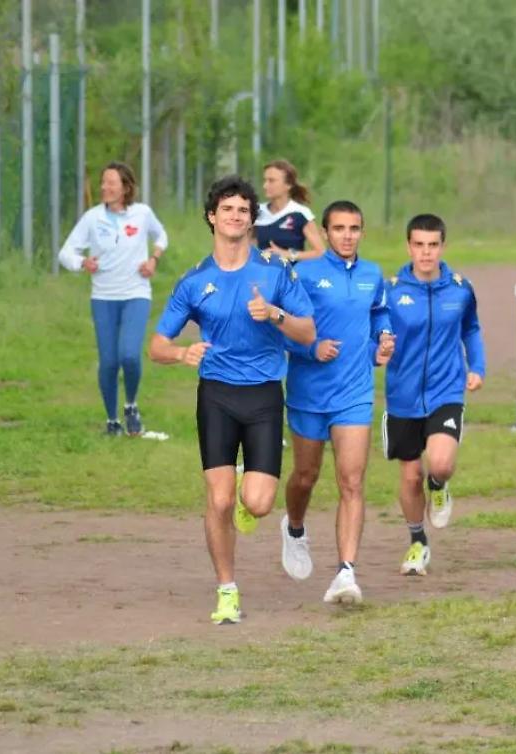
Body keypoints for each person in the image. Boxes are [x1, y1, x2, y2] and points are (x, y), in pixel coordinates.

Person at [148, 175, 316, 625]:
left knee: (257, 503)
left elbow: (308, 331)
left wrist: (275, 315)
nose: (236, 216)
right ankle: (227, 589)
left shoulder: (274, 272)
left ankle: (248, 493)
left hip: (263, 396)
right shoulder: (195, 281)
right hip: (217, 396)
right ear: (212, 217)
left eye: (243, 210)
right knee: (218, 501)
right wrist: (182, 352)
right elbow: (157, 345)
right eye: (227, 210)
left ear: (251, 218)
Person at [267, 200, 394, 605]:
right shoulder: (303, 274)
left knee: (352, 481)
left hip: (355, 394)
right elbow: (282, 329)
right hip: (309, 393)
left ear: (362, 232)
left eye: (354, 229)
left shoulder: (373, 275)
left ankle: (346, 572)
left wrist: (382, 342)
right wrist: (311, 349)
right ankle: (296, 527)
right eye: (338, 229)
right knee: (305, 476)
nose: (347, 236)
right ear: (324, 232)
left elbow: (380, 315)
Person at [383, 214, 485, 577]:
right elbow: (374, 336)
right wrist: (378, 350)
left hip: (446, 390)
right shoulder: (391, 290)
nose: (426, 252)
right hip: (403, 397)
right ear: (409, 246)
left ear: (443, 246)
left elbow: (471, 329)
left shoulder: (460, 288)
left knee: (438, 464)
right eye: (419, 245)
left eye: (433, 245)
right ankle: (417, 542)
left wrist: (478, 367)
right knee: (410, 476)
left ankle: (439, 485)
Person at [58, 161, 168, 436]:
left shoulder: (142, 214)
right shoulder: (92, 218)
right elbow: (66, 253)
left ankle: (130, 405)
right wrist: (83, 263)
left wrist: (153, 259)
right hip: (103, 297)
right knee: (108, 361)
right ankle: (112, 421)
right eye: (103, 182)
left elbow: (162, 235)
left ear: (126, 187)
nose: (105, 187)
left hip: (136, 294)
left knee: (129, 355)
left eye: (111, 183)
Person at [254, 159, 324, 263]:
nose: (265, 185)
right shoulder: (256, 211)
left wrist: (286, 254)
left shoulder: (300, 213)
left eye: (271, 181)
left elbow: (320, 253)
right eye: (265, 180)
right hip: (262, 277)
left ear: (288, 185)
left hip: (292, 276)